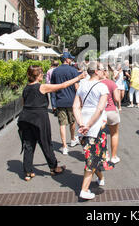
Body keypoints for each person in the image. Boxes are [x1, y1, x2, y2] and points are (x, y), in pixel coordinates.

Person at [17, 65, 85, 181]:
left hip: (25, 117)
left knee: (28, 144)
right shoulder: (42, 87)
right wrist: (78, 77)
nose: (42, 75)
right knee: (45, 142)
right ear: (37, 76)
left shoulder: (26, 88)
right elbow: (62, 86)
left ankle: (28, 171)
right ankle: (54, 168)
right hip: (39, 117)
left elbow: (23, 104)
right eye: (41, 73)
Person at [73, 62, 114, 200]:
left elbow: (76, 106)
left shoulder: (82, 85)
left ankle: (101, 178)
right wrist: (89, 125)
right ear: (96, 71)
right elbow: (100, 108)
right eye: (103, 70)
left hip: (83, 124)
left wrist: (81, 123)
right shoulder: (102, 86)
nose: (104, 72)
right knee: (92, 158)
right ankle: (84, 190)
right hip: (95, 126)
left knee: (93, 155)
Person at [51, 51, 81, 155]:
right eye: (71, 59)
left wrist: (53, 103)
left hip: (60, 100)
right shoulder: (73, 71)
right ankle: (72, 139)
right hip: (71, 100)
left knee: (62, 124)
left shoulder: (55, 71)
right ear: (67, 60)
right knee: (72, 121)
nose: (71, 60)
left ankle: (64, 146)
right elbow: (77, 87)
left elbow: (53, 88)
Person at [99, 66, 122, 164]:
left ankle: (104, 155)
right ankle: (114, 156)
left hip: (100, 112)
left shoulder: (96, 84)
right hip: (111, 110)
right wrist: (119, 106)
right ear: (105, 73)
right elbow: (117, 98)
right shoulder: (111, 83)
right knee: (114, 133)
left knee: (101, 134)